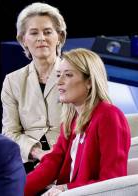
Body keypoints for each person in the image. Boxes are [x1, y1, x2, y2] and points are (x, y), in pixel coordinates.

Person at [24, 48, 131, 196]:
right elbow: (53, 162)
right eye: (58, 75)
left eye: (68, 75)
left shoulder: (109, 116)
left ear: (89, 82)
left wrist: (66, 188)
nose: (59, 82)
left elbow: (113, 181)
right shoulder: (71, 119)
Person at [1, 2, 67, 173]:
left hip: (69, 156)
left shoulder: (77, 74)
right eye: (34, 33)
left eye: (47, 32)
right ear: (23, 39)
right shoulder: (12, 81)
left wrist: (57, 153)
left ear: (59, 36)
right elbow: (9, 133)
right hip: (28, 159)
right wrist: (37, 153)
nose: (41, 38)